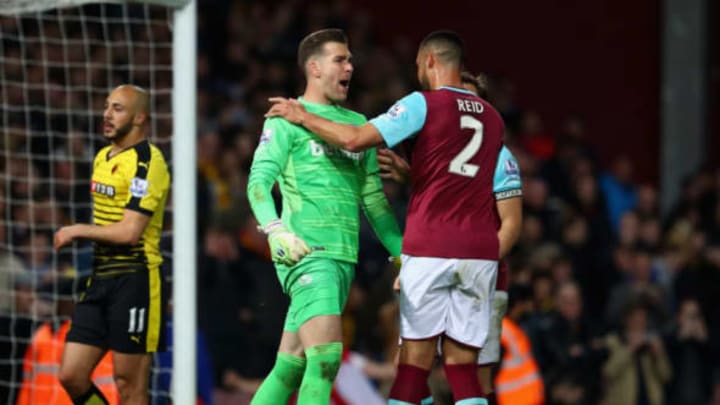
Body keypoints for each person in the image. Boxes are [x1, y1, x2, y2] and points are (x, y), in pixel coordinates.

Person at [266, 30, 503, 405]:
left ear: (429, 61)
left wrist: (302, 115)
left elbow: (354, 139)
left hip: (433, 245)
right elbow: (463, 181)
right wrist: (414, 176)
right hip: (481, 252)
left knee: (411, 365)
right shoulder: (493, 119)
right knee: (463, 369)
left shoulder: (422, 104)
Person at [246, 29, 403, 404]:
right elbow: (258, 183)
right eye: (340, 60)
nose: (350, 66)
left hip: (343, 256)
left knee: (291, 365)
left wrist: (403, 254)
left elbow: (375, 202)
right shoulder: (284, 119)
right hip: (306, 252)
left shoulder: (357, 125)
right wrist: (276, 231)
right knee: (327, 360)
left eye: (350, 60)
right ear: (314, 68)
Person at [377, 72, 523, 405]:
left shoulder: (500, 157)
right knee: (414, 362)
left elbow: (511, 225)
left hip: (485, 274)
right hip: (441, 261)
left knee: (473, 372)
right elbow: (446, 207)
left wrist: (482, 269)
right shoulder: (438, 156)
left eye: (469, 100)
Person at [54, 84, 171, 405]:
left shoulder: (149, 162)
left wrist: (78, 230)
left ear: (139, 118)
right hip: (100, 278)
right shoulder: (103, 157)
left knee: (129, 384)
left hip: (136, 281)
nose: (106, 114)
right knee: (71, 375)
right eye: (107, 106)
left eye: (117, 108)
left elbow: (130, 232)